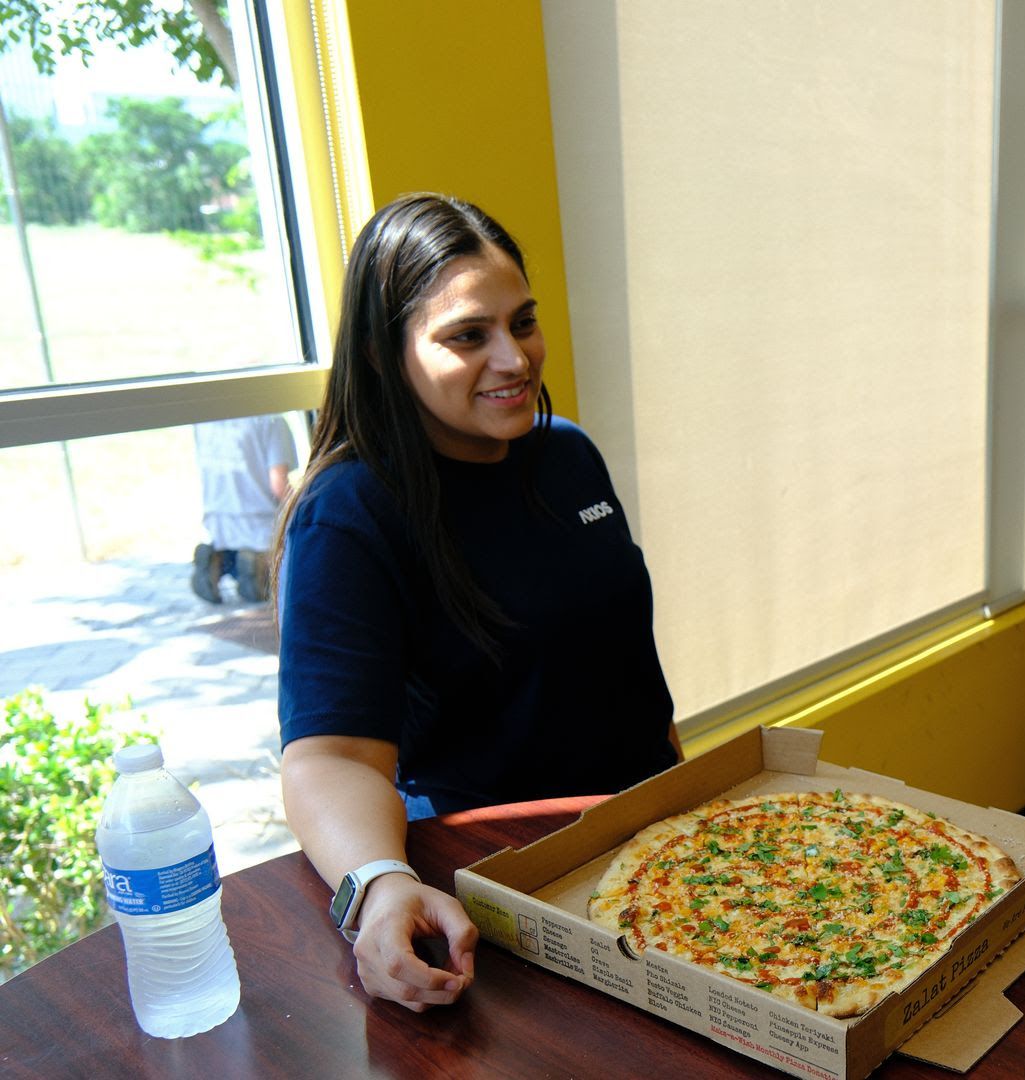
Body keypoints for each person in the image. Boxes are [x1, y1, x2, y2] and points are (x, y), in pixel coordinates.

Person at [273, 194, 682, 1012]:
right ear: (387, 355)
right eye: (469, 335)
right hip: (497, 889)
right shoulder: (351, 513)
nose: (514, 357)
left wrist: (683, 791)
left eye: (522, 322)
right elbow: (330, 760)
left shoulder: (567, 457)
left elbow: (623, 665)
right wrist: (382, 886)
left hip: (653, 853)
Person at [191, 413, 298, 603]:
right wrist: (300, 508)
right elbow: (278, 484)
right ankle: (259, 568)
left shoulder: (205, 419)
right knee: (285, 559)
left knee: (233, 557)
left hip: (218, 523)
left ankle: (218, 560)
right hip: (260, 526)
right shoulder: (271, 420)